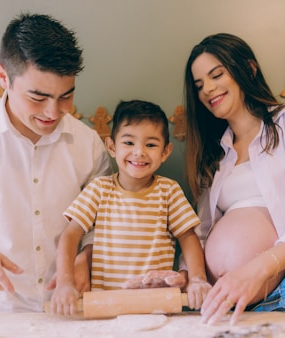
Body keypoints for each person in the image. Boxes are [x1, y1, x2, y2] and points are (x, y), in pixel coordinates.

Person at [0, 13, 111, 312]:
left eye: (66, 96)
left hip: (71, 309)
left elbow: (102, 223)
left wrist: (87, 257)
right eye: (38, 97)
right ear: (3, 77)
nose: (53, 112)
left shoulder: (89, 144)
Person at [52, 100, 211, 315]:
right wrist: (65, 283)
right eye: (129, 143)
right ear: (111, 147)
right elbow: (70, 235)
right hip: (105, 305)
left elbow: (189, 237)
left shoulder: (169, 191)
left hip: (157, 305)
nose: (139, 152)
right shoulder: (99, 189)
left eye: (151, 145)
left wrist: (198, 279)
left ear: (165, 152)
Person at [181, 32, 285, 325]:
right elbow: (200, 231)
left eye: (216, 75)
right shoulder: (215, 154)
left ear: (248, 68)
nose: (208, 90)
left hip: (277, 295)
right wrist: (185, 276)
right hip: (220, 302)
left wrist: (256, 269)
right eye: (199, 85)